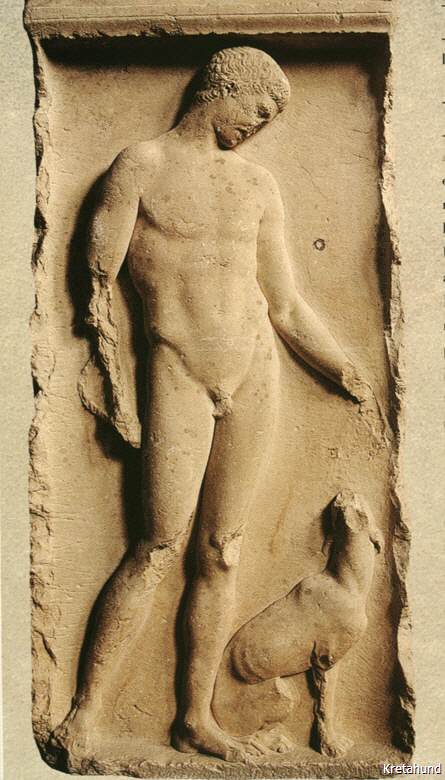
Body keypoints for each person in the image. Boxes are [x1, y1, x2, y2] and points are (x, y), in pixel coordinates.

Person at [55, 46, 374, 762]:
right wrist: (113, 390)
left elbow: (284, 305)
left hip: (254, 370)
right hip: (177, 369)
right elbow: (96, 290)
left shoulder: (256, 184)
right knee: (156, 544)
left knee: (221, 552)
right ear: (223, 86)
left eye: (270, 121)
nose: (257, 128)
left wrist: (343, 368)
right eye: (257, 110)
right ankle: (84, 714)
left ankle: (194, 718)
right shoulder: (141, 166)